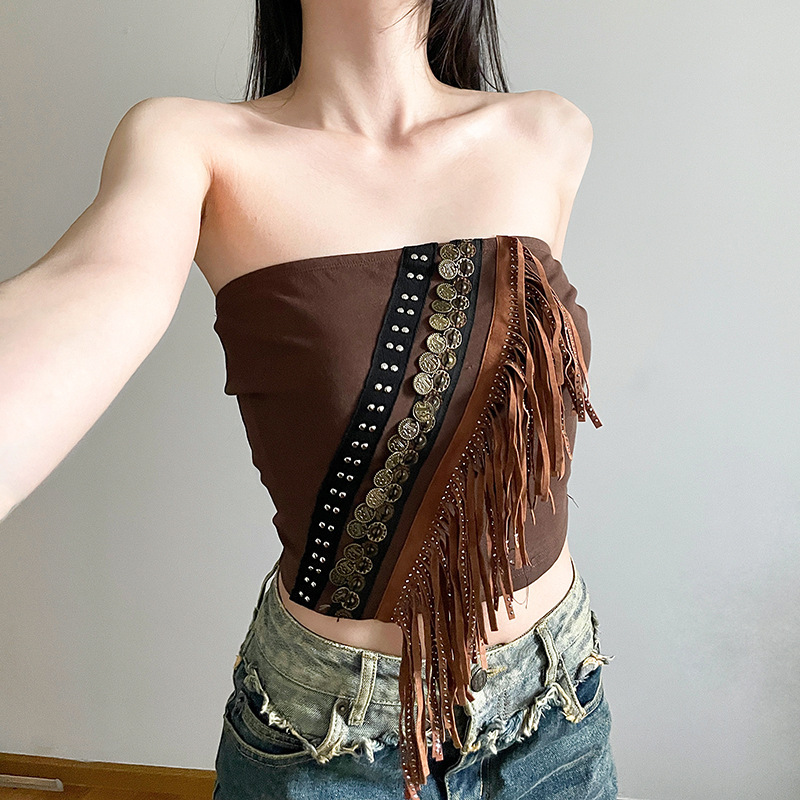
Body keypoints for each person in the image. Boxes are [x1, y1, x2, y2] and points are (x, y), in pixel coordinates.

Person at [1, 1, 618, 799]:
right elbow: (92, 286)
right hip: (332, 740)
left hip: (555, 707)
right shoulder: (191, 145)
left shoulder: (547, 132)